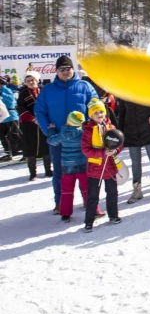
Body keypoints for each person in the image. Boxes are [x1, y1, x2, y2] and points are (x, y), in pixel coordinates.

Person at [34, 55, 98, 214]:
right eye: (61, 69)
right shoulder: (47, 90)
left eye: (68, 68)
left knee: (86, 171)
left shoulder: (85, 86)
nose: (65, 71)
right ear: (56, 71)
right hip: (58, 139)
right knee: (60, 172)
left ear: (73, 69)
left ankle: (89, 201)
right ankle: (60, 202)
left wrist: (90, 129)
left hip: (82, 138)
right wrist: (48, 132)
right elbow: (40, 111)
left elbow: (95, 107)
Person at [47, 111, 105, 222]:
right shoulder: (83, 133)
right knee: (87, 189)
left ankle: (65, 213)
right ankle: (93, 210)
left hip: (67, 167)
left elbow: (51, 141)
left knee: (67, 190)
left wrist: (51, 131)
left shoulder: (62, 133)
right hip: (82, 165)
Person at [81, 99, 123, 233]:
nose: (99, 115)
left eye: (101, 112)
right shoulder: (88, 130)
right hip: (95, 169)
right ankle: (89, 221)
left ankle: (113, 215)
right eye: (96, 113)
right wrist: (102, 153)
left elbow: (119, 142)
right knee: (93, 196)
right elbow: (86, 150)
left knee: (112, 193)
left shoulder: (110, 127)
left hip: (110, 167)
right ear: (91, 115)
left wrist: (115, 151)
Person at [118, 99, 150, 203]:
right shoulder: (124, 91)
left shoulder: (147, 88)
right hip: (131, 131)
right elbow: (122, 113)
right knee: (135, 162)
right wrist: (121, 133)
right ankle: (137, 190)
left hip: (149, 131)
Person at [17, 70, 52, 180]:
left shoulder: (44, 91)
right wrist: (32, 119)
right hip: (29, 125)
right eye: (28, 81)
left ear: (37, 80)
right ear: (25, 83)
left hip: (44, 122)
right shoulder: (23, 93)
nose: (31, 82)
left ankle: (48, 170)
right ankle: (33, 173)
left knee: (46, 145)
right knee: (30, 147)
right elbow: (21, 108)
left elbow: (50, 105)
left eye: (32, 80)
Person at [0, 75, 22, 162]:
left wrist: (2, 94)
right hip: (2, 116)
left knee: (13, 134)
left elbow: (12, 100)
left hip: (10, 115)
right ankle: (8, 152)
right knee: (2, 135)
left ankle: (18, 150)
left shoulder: (6, 89)